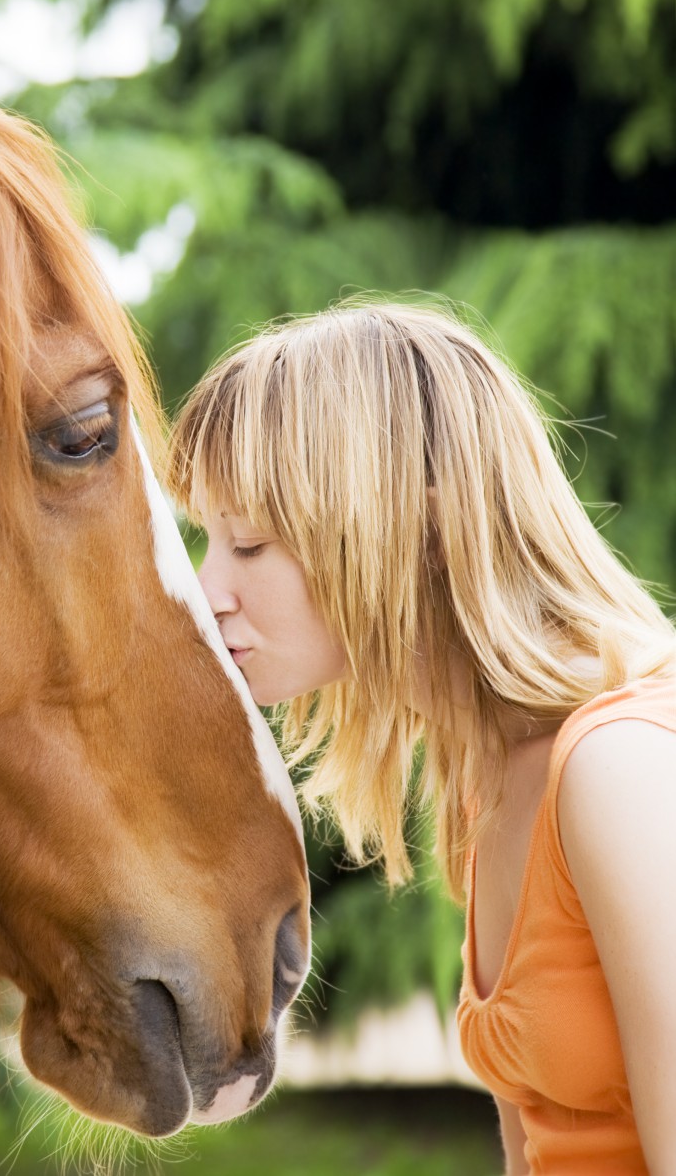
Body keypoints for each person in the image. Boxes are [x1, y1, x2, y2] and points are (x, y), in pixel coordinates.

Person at [166, 300, 676, 1175]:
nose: (209, 593)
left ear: (424, 532)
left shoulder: (616, 768)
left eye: (249, 543)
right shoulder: (490, 776)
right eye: (209, 540)